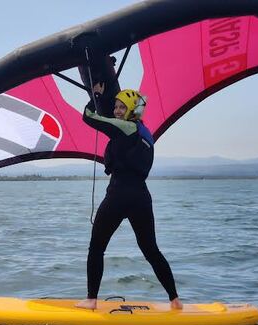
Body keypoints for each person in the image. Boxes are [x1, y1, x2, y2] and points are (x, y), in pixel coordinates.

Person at [76, 83, 183, 310]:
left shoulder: (126, 128)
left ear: (132, 110)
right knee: (151, 250)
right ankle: (175, 300)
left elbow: (89, 117)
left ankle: (91, 300)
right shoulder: (146, 134)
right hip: (141, 197)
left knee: (96, 247)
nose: (116, 111)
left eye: (121, 108)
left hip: (118, 195)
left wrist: (95, 94)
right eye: (115, 107)